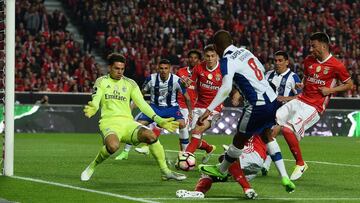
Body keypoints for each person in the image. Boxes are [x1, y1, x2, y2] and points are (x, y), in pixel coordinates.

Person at [198, 30, 295, 198]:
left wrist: (209, 109)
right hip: (272, 101)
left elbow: (226, 87)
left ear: (216, 47)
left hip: (256, 105)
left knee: (239, 139)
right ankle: (285, 177)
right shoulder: (245, 51)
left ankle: (221, 170)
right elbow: (261, 69)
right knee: (267, 135)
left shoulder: (226, 61)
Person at [80, 53, 186, 181]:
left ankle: (165, 172)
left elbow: (142, 105)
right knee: (113, 146)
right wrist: (94, 107)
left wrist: (159, 120)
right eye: (116, 68)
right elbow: (96, 99)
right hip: (109, 123)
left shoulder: (130, 83)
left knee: (151, 135)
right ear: (109, 68)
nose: (120, 72)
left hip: (128, 123)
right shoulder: (102, 81)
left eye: (122, 69)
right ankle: (92, 166)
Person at [271, 32, 353, 180]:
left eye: (313, 46)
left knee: (288, 130)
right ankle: (252, 154)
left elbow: (349, 84)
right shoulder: (309, 60)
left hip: (314, 107)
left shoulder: (336, 65)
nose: (310, 49)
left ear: (323, 45)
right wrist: (302, 83)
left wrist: (330, 90)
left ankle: (301, 164)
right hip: (300, 99)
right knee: (271, 120)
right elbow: (307, 76)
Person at [115, 59, 193, 159]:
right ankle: (125, 152)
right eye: (161, 68)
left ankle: (185, 154)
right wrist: (130, 108)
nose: (163, 71)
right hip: (154, 108)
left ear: (170, 69)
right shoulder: (151, 79)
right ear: (158, 69)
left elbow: (187, 97)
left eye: (166, 68)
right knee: (137, 126)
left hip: (171, 108)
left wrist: (190, 112)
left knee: (182, 124)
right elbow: (139, 95)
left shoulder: (176, 80)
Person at [176, 134, 270, 199]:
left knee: (225, 157)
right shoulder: (266, 124)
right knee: (207, 173)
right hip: (251, 170)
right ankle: (199, 192)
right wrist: (267, 164)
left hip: (253, 154)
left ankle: (247, 188)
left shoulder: (256, 120)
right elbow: (273, 147)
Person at [261, 51, 302, 175]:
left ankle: (265, 164)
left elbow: (301, 95)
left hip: (285, 112)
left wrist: (286, 99)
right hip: (267, 110)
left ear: (287, 62)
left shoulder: (293, 77)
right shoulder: (268, 75)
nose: (277, 63)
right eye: (275, 60)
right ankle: (262, 160)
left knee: (271, 134)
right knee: (264, 135)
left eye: (280, 60)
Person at [182, 44, 223, 164]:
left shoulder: (223, 69)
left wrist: (236, 94)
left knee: (197, 130)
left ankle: (186, 158)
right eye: (207, 56)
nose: (210, 59)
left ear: (217, 57)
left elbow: (232, 84)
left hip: (214, 108)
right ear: (204, 57)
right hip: (199, 106)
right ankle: (209, 148)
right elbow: (190, 82)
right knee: (195, 136)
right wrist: (185, 83)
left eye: (212, 56)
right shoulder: (199, 68)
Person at [175, 49, 202, 151]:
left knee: (195, 136)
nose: (192, 60)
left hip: (195, 106)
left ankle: (208, 148)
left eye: (195, 58)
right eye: (191, 57)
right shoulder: (180, 71)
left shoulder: (201, 73)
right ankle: (183, 155)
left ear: (199, 60)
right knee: (183, 129)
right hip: (181, 104)